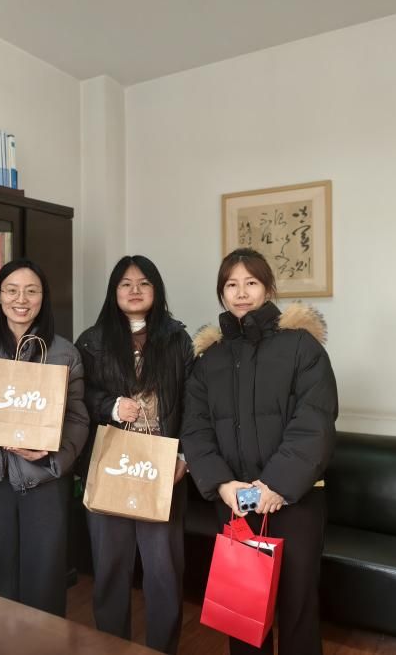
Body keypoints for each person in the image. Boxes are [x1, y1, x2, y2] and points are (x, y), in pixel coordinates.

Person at [181, 247, 338, 655]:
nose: (241, 293)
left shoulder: (302, 348)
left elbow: (315, 422)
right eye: (231, 285)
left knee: (298, 608)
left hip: (295, 501)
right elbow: (195, 430)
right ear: (222, 293)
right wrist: (222, 484)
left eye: (250, 282)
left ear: (267, 288)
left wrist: (276, 485)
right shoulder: (209, 360)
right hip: (235, 502)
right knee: (243, 610)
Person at [76, 255, 194, 655]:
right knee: (110, 565)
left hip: (162, 468)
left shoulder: (178, 340)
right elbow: (76, 397)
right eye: (125, 284)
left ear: (156, 290)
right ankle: (111, 645)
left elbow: (195, 404)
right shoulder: (91, 341)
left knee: (164, 570)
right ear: (114, 291)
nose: (134, 290)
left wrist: (185, 457)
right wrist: (110, 406)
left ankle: (163, 648)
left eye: (144, 283)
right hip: (110, 464)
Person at [0, 258, 89, 616]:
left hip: (45, 483)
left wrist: (52, 456)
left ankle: (44, 643)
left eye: (31, 291)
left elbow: (77, 417)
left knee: (45, 583)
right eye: (11, 290)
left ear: (43, 297)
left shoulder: (64, 352)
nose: (21, 299)